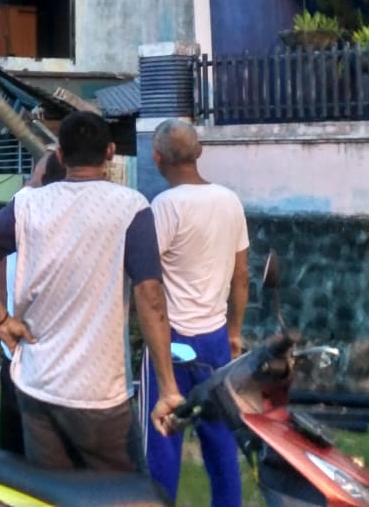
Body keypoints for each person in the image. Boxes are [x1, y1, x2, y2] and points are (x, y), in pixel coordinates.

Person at [0, 111, 183, 472]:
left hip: (36, 387)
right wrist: (168, 389)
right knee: (121, 497)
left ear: (60, 155)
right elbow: (151, 297)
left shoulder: (28, 204)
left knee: (53, 494)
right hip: (100, 394)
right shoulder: (131, 207)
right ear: (110, 152)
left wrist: (1, 320)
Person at [140, 119, 249, 506]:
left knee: (164, 438)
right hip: (216, 339)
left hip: (173, 343)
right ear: (199, 152)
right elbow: (241, 275)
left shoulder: (164, 207)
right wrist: (234, 330)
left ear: (157, 158)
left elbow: (147, 285)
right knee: (220, 440)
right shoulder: (230, 201)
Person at [0, 148, 66, 455]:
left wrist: (0, 320)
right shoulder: (70, 217)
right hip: (53, 352)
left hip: (23, 351)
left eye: (34, 175)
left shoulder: (24, 207)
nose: (27, 180)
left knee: (18, 449)